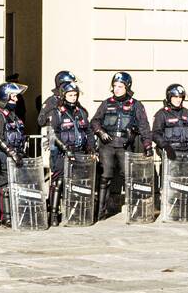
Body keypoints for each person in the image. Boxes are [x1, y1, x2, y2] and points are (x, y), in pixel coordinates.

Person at [91, 71, 151, 218]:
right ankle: (100, 213)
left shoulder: (136, 105)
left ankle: (134, 212)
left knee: (130, 178)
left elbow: (144, 126)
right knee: (105, 178)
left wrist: (148, 146)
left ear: (127, 87)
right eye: (114, 86)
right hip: (108, 145)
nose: (116, 89)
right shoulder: (106, 103)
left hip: (125, 146)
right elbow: (94, 121)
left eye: (120, 86)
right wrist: (100, 132)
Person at [46, 81, 92, 225]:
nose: (73, 97)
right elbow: (52, 134)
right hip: (60, 153)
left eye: (75, 95)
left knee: (76, 183)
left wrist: (91, 148)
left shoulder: (81, 111)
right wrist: (65, 148)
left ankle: (74, 212)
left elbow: (88, 131)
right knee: (58, 182)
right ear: (63, 95)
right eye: (70, 95)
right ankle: (53, 214)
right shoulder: (56, 112)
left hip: (79, 152)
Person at [0, 81, 28, 225]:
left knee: (16, 185)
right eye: (13, 97)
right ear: (5, 97)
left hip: (17, 155)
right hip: (5, 156)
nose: (16, 99)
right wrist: (11, 152)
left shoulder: (14, 116)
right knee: (5, 186)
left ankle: (17, 213)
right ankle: (7, 216)